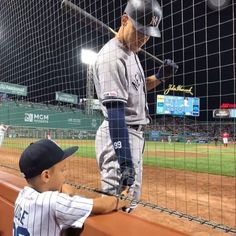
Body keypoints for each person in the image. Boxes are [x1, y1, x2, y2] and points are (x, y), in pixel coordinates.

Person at [93, 0, 178, 212]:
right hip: (120, 135)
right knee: (114, 205)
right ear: (124, 20)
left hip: (132, 134)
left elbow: (138, 89)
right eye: (140, 30)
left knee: (127, 204)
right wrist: (125, 161)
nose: (144, 38)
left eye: (148, 34)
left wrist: (159, 77)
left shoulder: (130, 53)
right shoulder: (112, 58)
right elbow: (115, 112)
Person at [13, 139, 129, 236]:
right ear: (46, 175)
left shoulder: (23, 195)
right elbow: (103, 206)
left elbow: (64, 191)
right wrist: (122, 199)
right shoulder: (54, 202)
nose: (65, 174)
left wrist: (64, 191)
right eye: (62, 169)